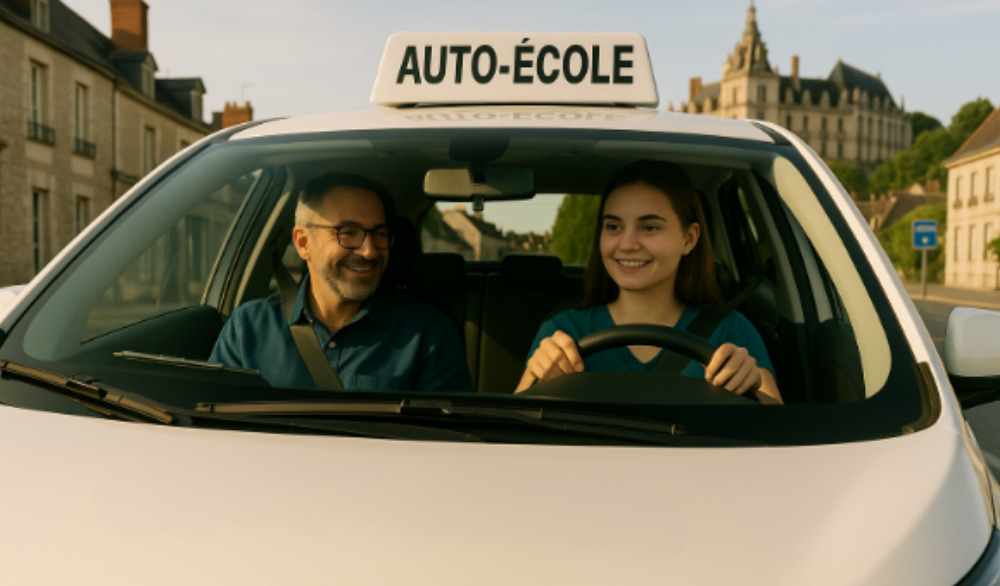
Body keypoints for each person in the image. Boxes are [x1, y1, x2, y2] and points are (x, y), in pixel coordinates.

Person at [516, 160, 782, 403]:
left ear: (689, 239)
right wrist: (534, 377)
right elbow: (515, 426)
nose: (627, 244)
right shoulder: (564, 333)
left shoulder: (731, 333)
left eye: (650, 227)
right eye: (613, 227)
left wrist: (752, 385)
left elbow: (776, 423)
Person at [210, 171, 472, 392]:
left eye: (379, 234)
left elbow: (446, 437)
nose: (369, 251)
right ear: (303, 243)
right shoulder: (247, 329)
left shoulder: (429, 335)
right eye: (348, 232)